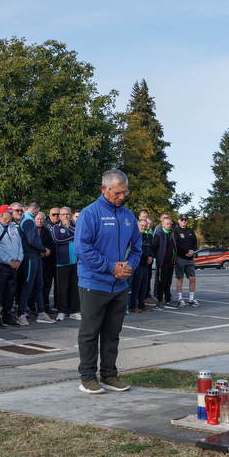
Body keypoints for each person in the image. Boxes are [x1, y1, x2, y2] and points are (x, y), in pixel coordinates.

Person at [74, 169, 142, 394]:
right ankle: (87, 378)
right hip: (93, 283)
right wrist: (111, 266)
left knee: (112, 334)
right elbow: (82, 249)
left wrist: (129, 266)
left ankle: (109, 375)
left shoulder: (128, 216)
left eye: (125, 192)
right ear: (104, 189)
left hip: (119, 285)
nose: (122, 197)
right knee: (90, 333)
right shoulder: (90, 213)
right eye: (117, 192)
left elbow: (137, 247)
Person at [18, 201, 54, 324]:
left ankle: (41, 313)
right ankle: (21, 314)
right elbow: (31, 240)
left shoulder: (28, 219)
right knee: (28, 285)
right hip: (30, 257)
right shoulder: (28, 220)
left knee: (39, 285)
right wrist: (44, 249)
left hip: (35, 257)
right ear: (37, 209)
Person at [0, 205, 23, 328]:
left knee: (10, 293)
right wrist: (9, 261)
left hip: (13, 266)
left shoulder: (13, 227)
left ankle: (7, 317)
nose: (12, 216)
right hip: (0, 265)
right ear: (2, 215)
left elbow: (19, 245)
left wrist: (18, 259)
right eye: (9, 213)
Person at [51, 206, 81, 320]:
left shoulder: (76, 226)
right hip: (62, 263)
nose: (66, 216)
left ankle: (75, 310)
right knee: (62, 289)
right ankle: (61, 311)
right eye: (63, 214)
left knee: (75, 288)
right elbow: (57, 240)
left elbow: (80, 236)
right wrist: (72, 236)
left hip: (76, 262)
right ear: (60, 216)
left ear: (71, 215)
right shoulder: (56, 228)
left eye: (67, 214)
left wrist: (69, 230)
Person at [172, 215, 199, 307]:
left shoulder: (190, 231)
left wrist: (192, 251)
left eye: (185, 220)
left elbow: (195, 242)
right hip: (181, 258)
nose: (183, 221)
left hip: (190, 259)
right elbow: (176, 244)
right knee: (180, 278)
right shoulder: (175, 231)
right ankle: (180, 299)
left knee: (192, 278)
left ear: (187, 221)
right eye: (182, 220)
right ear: (179, 221)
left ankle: (191, 299)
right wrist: (186, 251)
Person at [152, 214, 177, 310]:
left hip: (171, 262)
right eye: (167, 224)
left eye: (170, 224)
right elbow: (154, 248)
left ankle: (168, 301)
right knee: (161, 282)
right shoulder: (159, 234)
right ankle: (159, 301)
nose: (169, 225)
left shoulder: (172, 234)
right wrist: (157, 257)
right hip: (162, 262)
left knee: (168, 282)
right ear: (162, 224)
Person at [130, 218, 153, 313]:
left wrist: (151, 256)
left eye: (145, 226)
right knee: (136, 285)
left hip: (145, 264)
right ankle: (133, 305)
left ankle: (141, 304)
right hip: (138, 264)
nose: (143, 227)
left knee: (144, 285)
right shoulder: (135, 236)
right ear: (138, 225)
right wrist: (146, 257)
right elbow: (137, 249)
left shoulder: (147, 236)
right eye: (141, 225)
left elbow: (150, 248)